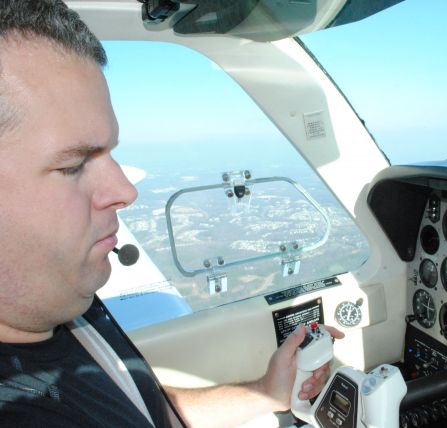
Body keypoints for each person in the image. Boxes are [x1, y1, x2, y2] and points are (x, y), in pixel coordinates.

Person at [0, 0, 343, 426]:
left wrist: (265, 391)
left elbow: (137, 404)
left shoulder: (60, 303)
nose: (125, 191)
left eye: (110, 152)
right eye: (73, 165)